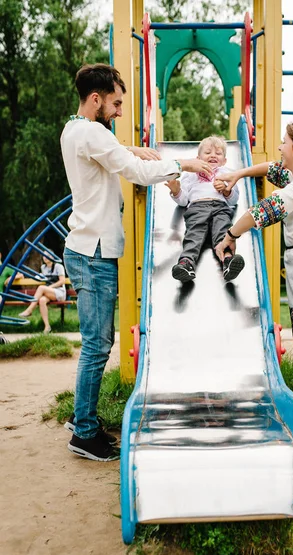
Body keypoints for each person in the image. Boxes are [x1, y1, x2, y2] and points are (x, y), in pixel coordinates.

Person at [61, 63, 212, 462]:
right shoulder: (92, 132)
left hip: (87, 246)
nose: (120, 111)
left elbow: (113, 155)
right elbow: (138, 174)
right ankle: (84, 432)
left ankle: (83, 420)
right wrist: (184, 165)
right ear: (96, 100)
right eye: (115, 103)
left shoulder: (75, 129)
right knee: (97, 345)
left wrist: (129, 149)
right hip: (93, 251)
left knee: (97, 343)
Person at [215, 117, 293, 464]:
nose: (279, 149)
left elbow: (267, 210)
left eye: (284, 143)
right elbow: (269, 169)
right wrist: (238, 174)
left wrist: (230, 235)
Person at [166, 135, 245, 283]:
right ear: (198, 158)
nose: (213, 155)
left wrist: (227, 191)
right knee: (194, 234)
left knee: (224, 232)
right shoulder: (191, 174)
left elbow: (234, 200)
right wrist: (176, 191)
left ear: (224, 160)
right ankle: (186, 263)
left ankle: (228, 261)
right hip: (197, 208)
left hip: (221, 208)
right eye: (208, 152)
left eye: (218, 153)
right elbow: (183, 201)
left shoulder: (226, 173)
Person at [19, 251, 66, 334]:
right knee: (42, 300)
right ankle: (47, 327)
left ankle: (30, 310)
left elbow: (62, 281)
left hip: (59, 293)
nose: (45, 257)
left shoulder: (58, 266)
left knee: (41, 288)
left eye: (48, 255)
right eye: (44, 255)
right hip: (49, 292)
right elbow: (42, 278)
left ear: (52, 257)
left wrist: (48, 288)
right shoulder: (43, 267)